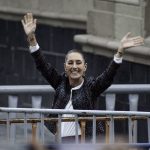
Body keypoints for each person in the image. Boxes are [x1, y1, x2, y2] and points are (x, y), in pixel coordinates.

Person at [21, 13, 144, 143]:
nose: (74, 66)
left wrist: (120, 52)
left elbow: (108, 76)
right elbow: (42, 65)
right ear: (65, 66)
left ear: (84, 67)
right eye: (70, 63)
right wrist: (31, 38)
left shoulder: (91, 87)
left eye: (78, 63)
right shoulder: (60, 83)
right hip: (60, 143)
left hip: (84, 142)